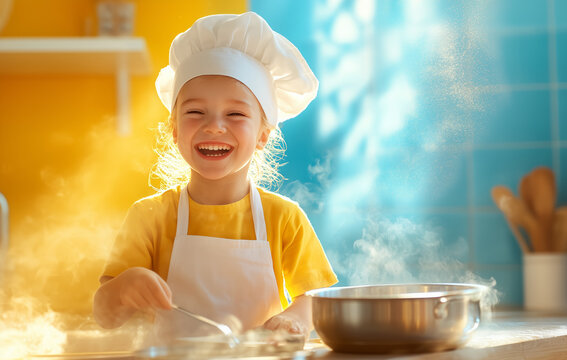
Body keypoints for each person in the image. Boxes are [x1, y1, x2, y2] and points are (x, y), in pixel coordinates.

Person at [92, 11, 337, 342]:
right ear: (175, 130)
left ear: (264, 134)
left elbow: (320, 300)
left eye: (235, 113)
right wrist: (125, 286)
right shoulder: (150, 217)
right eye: (195, 112)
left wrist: (294, 318)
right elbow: (105, 316)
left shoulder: (284, 218)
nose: (214, 126)